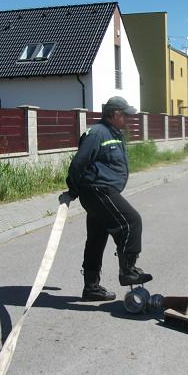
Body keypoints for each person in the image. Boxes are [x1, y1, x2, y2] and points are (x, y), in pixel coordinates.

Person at [60, 96, 153, 302]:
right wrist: (72, 191)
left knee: (96, 238)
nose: (128, 119)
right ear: (115, 114)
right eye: (125, 115)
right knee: (131, 221)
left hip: (101, 191)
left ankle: (91, 288)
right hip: (97, 190)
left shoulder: (114, 133)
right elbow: (78, 164)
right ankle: (128, 270)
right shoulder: (96, 134)